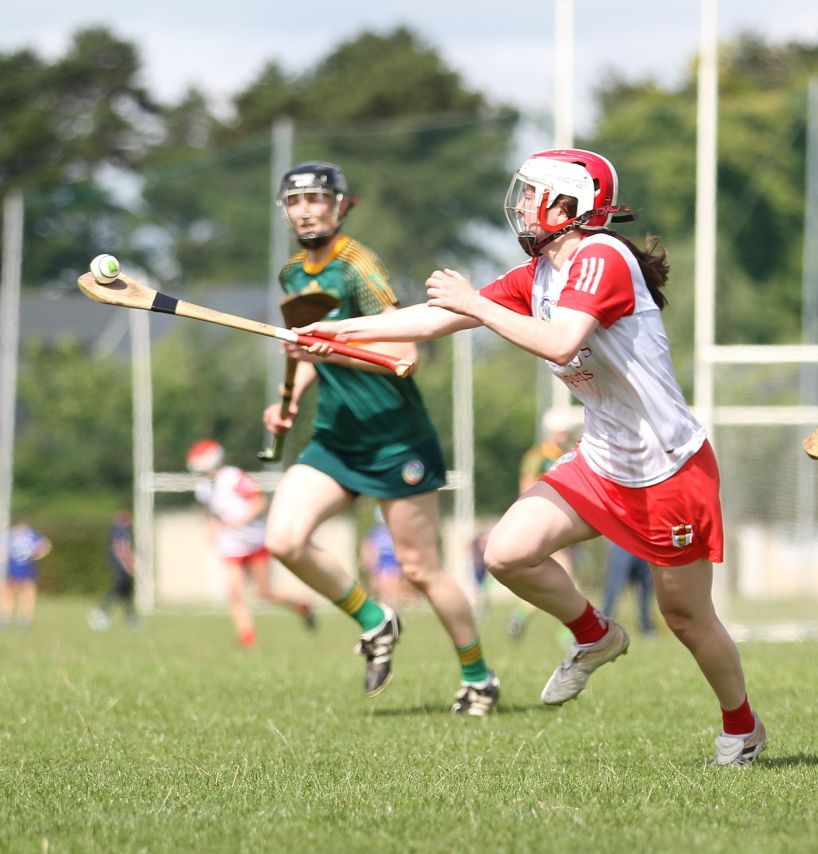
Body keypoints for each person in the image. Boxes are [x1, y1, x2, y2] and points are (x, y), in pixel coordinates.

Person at [299, 148, 766, 765]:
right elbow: (434, 318)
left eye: (530, 194)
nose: (519, 205)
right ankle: (596, 636)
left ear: (568, 206)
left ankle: (743, 727)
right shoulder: (541, 271)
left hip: (669, 468)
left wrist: (476, 303)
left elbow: (560, 338)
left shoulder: (602, 257)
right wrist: (337, 332)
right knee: (507, 552)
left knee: (685, 616)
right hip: (602, 460)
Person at [262, 161, 499, 716]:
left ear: (341, 205)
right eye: (295, 202)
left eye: (318, 199)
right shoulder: (292, 275)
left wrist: (335, 348)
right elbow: (310, 355)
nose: (306, 210)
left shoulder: (357, 266)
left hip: (397, 442)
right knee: (284, 539)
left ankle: (478, 677)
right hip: (336, 439)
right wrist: (289, 400)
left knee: (420, 568)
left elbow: (404, 357)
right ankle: (376, 620)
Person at [187, 439, 317, 649]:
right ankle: (248, 640)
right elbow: (211, 513)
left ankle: (302, 605)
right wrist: (213, 529)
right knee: (234, 593)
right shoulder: (202, 488)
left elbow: (259, 502)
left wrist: (241, 520)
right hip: (231, 545)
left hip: (255, 541)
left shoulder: (234, 477)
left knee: (264, 594)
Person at [507, 405, 579, 641]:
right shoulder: (538, 456)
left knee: (561, 580)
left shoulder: (570, 453)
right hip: (545, 523)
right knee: (565, 579)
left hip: (566, 523)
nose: (562, 436)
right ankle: (572, 633)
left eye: (565, 431)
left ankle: (522, 615)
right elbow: (526, 487)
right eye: (559, 431)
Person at [88, 508, 141, 631]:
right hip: (120, 565)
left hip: (119, 564)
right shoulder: (121, 530)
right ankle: (101, 611)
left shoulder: (118, 529)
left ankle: (130, 616)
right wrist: (129, 564)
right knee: (119, 587)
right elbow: (121, 549)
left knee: (125, 590)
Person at [601, 541, 656, 637]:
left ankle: (646, 627)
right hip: (623, 544)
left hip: (645, 545)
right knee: (614, 586)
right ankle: (602, 625)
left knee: (646, 587)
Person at [2, 520, 50, 629]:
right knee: (8, 594)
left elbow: (45, 545)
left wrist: (37, 554)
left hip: (27, 570)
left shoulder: (32, 535)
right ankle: (6, 617)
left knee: (27, 593)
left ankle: (26, 619)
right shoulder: (7, 536)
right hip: (11, 569)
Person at [360, 507, 408, 609]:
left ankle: (392, 612)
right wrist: (368, 561)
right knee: (380, 588)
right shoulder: (374, 531)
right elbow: (368, 546)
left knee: (393, 589)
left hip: (393, 561)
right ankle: (387, 611)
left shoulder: (396, 531)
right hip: (381, 562)